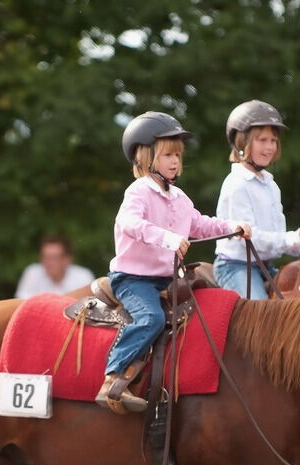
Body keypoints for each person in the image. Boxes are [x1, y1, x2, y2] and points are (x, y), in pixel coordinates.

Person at [94, 111, 251, 413]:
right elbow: (129, 223)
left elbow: (200, 224)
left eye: (178, 155)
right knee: (151, 318)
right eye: (168, 155)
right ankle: (113, 376)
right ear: (144, 157)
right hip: (134, 278)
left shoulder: (179, 197)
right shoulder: (137, 192)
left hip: (165, 277)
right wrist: (167, 238)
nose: (176, 161)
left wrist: (232, 227)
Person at [213, 99, 300, 299]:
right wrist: (294, 238)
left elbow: (277, 238)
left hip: (266, 268)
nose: (269, 147)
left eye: (273, 141)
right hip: (235, 267)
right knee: (262, 317)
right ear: (242, 142)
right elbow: (250, 239)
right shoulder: (236, 184)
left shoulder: (270, 185)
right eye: (262, 140)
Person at [14, 234, 94, 298]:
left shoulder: (83, 276)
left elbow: (89, 306)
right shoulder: (32, 273)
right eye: (45, 257)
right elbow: (21, 303)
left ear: (67, 260)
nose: (48, 263)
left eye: (54, 258)